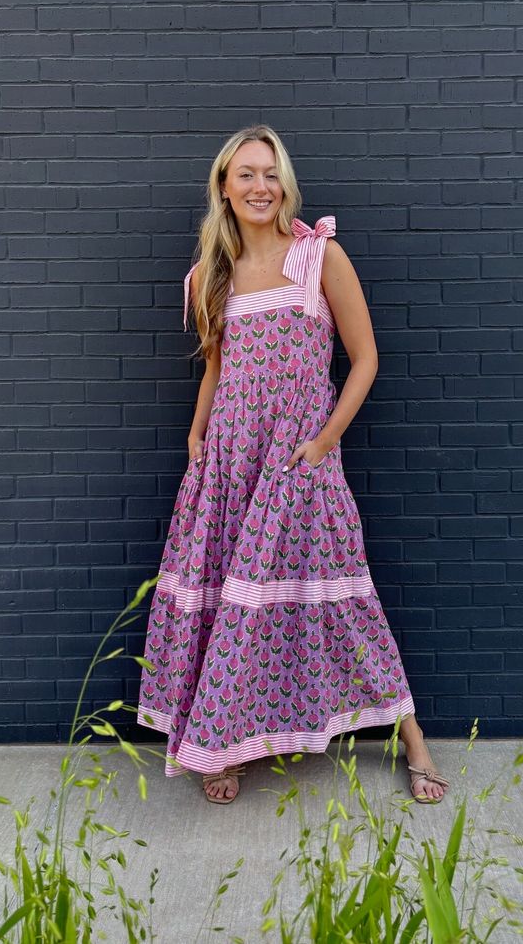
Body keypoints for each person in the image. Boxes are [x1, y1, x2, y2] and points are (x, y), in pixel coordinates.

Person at [137, 124, 449, 807]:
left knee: (343, 599)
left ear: (286, 184)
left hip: (300, 460)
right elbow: (217, 367)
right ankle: (227, 741)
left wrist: (322, 442)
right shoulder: (211, 276)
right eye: (245, 173)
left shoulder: (318, 256)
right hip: (229, 459)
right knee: (230, 603)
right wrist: (197, 437)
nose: (259, 186)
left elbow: (364, 359)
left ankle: (414, 741)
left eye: (270, 173)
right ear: (224, 185)